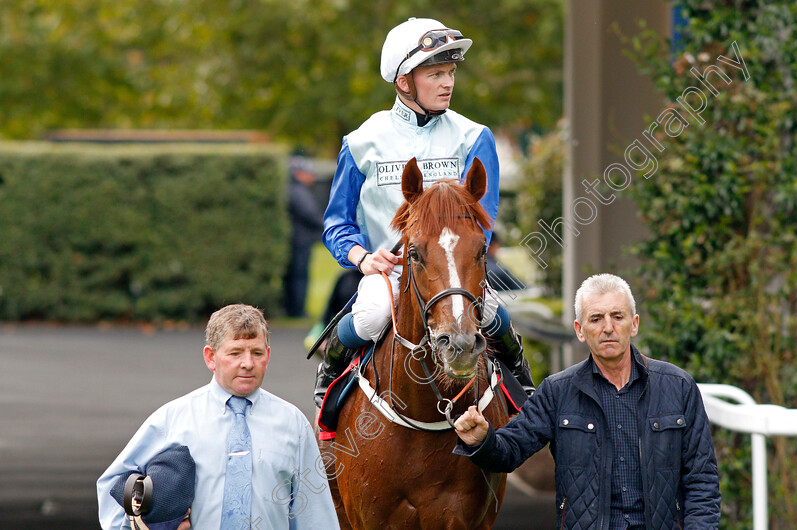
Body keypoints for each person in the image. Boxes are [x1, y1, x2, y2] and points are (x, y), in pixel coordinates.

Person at [315, 17, 534, 406]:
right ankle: (329, 377)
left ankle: (522, 384)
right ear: (404, 82)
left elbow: (484, 218)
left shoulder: (474, 136)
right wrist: (363, 259)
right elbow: (336, 224)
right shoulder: (361, 142)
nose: (448, 83)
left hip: (457, 272)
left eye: (450, 72)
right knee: (371, 315)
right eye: (435, 74)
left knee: (493, 315)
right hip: (392, 272)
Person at [453, 274, 720, 529]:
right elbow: (509, 451)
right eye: (596, 318)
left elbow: (702, 482)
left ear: (634, 324)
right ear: (580, 330)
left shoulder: (678, 386)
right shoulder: (557, 392)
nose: (608, 327)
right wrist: (482, 439)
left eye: (617, 316)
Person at [97, 304, 340, 530]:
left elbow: (315, 514)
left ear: (268, 355)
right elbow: (113, 486)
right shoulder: (172, 420)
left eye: (256, 353)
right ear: (210, 357)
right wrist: (141, 527)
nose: (247, 363)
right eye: (235, 353)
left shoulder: (292, 424)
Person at [283, 156, 324, 318]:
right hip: (300, 241)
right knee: (300, 276)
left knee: (294, 275)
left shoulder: (291, 190)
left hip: (295, 240)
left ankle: (292, 309)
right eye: (309, 173)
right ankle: (298, 311)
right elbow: (311, 215)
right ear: (299, 173)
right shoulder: (299, 192)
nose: (312, 176)